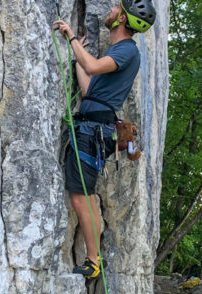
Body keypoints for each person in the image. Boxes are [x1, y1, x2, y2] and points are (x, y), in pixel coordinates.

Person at [52, 0, 156, 279]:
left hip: (92, 131)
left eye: (115, 8)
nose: (109, 9)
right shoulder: (121, 50)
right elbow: (90, 90)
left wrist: (71, 37)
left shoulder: (126, 50)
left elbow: (94, 67)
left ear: (122, 18)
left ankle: (93, 261)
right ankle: (93, 258)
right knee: (84, 196)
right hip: (93, 126)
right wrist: (78, 59)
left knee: (80, 197)